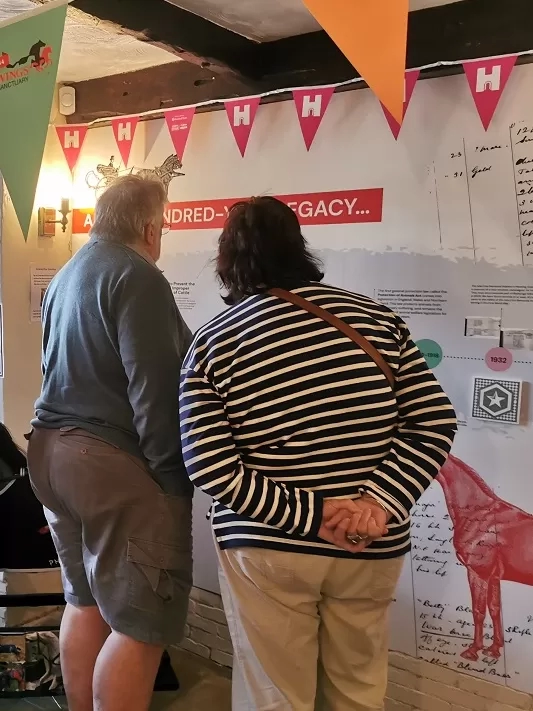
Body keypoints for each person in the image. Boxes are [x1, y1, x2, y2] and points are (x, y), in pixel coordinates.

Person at [179, 196, 457, 711]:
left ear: (227, 261)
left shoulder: (214, 343)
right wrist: (375, 503)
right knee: (358, 685)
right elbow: (434, 420)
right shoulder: (377, 320)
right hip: (370, 539)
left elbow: (210, 466)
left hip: (267, 545)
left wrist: (310, 514)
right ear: (299, 247)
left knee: (274, 692)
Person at [27, 175, 193, 711]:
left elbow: (50, 366)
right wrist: (173, 480)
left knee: (86, 601)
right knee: (142, 626)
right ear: (149, 227)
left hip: (50, 453)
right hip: (107, 460)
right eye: (162, 228)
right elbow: (153, 387)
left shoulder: (67, 273)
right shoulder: (137, 274)